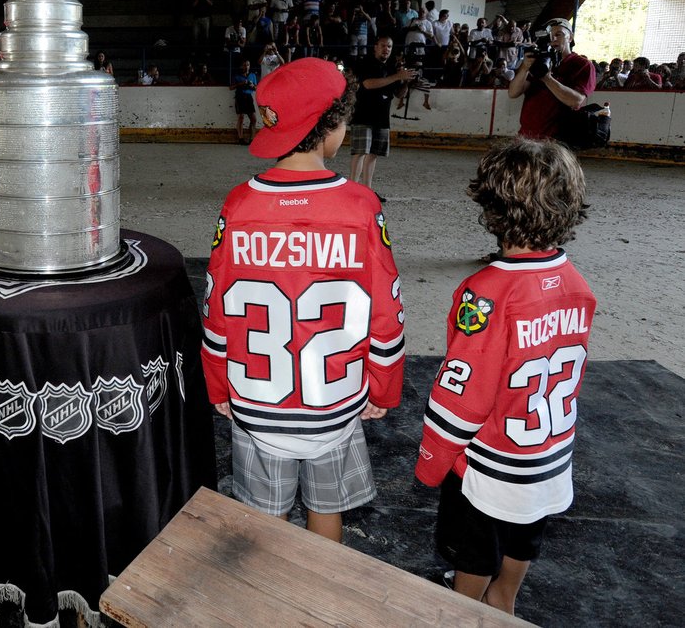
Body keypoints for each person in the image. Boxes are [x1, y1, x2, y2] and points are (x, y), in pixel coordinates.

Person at [201, 57, 405, 543]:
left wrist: (218, 387)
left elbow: (215, 312)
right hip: (333, 405)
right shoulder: (361, 207)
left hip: (258, 404)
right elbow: (386, 314)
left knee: (267, 527)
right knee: (326, 514)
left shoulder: (240, 205)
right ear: (331, 124)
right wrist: (383, 387)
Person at [415, 137, 594, 616]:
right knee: (524, 535)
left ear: (491, 206)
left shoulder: (487, 293)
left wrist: (432, 462)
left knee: (475, 547)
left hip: (489, 464)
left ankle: (465, 608)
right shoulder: (576, 284)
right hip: (547, 454)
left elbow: (464, 394)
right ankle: (505, 600)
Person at [348, 35, 415, 201]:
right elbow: (368, 84)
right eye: (383, 45)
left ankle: (367, 190)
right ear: (375, 47)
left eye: (390, 47)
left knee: (374, 154)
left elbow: (398, 93)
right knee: (361, 152)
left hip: (382, 116)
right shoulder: (365, 63)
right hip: (363, 114)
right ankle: (352, 190)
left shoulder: (393, 68)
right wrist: (397, 77)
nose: (387, 49)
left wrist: (406, 82)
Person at [507, 18, 595, 140]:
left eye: (559, 34)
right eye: (550, 35)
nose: (553, 39)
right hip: (527, 136)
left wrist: (546, 78)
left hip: (558, 141)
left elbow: (575, 101)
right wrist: (524, 68)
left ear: (570, 37)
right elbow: (513, 93)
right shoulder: (537, 61)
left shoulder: (582, 64)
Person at [230, 57, 258, 144]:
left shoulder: (252, 75)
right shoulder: (237, 76)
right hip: (240, 96)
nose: (246, 67)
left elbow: (256, 88)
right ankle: (241, 139)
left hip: (248, 97)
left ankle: (252, 139)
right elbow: (231, 87)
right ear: (241, 66)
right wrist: (240, 84)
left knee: (253, 119)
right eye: (245, 65)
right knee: (241, 118)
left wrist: (252, 86)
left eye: (248, 65)